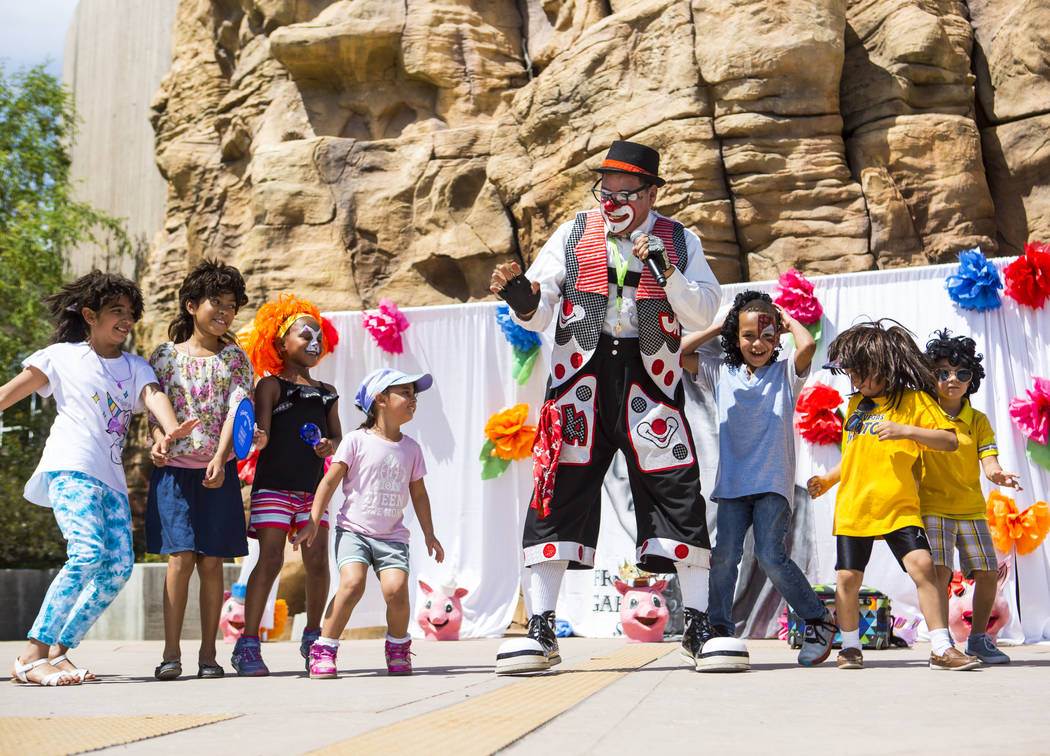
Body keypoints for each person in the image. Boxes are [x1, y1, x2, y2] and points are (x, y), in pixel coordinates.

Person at [489, 140, 721, 673]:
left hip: (652, 378)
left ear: (651, 193)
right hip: (580, 379)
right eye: (606, 191)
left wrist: (668, 271)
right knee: (558, 488)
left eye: (626, 192)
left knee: (677, 488)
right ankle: (542, 629)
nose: (612, 201)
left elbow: (704, 309)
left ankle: (701, 628)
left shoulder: (680, 239)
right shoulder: (574, 231)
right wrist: (524, 299)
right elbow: (542, 308)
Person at [2, 271, 196, 686]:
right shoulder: (61, 357)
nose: (126, 320)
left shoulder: (134, 365)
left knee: (118, 568)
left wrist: (172, 426)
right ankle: (31, 656)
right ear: (90, 315)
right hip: (70, 468)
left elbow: (153, 396)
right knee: (88, 553)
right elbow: (9, 393)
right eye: (116, 311)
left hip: (110, 481)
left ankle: (58, 651)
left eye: (130, 312)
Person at [806, 320, 979, 671]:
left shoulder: (914, 401)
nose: (855, 381)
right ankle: (851, 647)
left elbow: (949, 440)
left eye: (861, 373)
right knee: (847, 579)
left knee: (924, 567)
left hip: (899, 507)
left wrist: (906, 430)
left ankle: (941, 648)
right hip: (855, 507)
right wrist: (827, 479)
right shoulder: (855, 404)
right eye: (851, 374)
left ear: (882, 367)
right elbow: (855, 457)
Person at [682, 290, 837, 666]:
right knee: (723, 558)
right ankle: (719, 632)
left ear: (778, 338)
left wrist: (786, 319)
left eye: (768, 337)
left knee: (770, 556)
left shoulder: (785, 374)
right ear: (736, 337)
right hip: (733, 486)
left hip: (772, 484)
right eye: (749, 335)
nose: (758, 344)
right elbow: (679, 352)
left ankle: (818, 619)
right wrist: (721, 324)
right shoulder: (720, 371)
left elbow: (808, 345)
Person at [295, 368, 444, 678]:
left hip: (392, 537)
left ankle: (398, 646)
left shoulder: (411, 449)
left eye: (414, 394)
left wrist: (430, 534)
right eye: (405, 393)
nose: (413, 399)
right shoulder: (355, 441)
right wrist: (311, 521)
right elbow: (328, 482)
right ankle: (324, 647)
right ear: (380, 400)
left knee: (397, 589)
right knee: (351, 585)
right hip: (354, 532)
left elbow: (419, 493)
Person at [146, 260, 253, 681]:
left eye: (231, 305)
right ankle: (171, 653)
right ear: (191, 305)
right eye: (216, 302)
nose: (224, 311)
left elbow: (236, 412)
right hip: (173, 475)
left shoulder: (235, 359)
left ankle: (210, 654)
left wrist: (220, 458)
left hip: (218, 475)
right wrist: (158, 441)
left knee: (212, 563)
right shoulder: (163, 357)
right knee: (180, 558)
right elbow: (155, 413)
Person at [232, 294, 342, 676]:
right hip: (274, 486)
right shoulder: (270, 386)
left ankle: (315, 638)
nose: (314, 342)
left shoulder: (326, 392)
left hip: (312, 491)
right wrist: (258, 439)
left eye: (318, 336)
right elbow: (261, 429)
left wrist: (331, 445)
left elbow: (337, 437)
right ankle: (247, 643)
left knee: (316, 560)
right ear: (280, 343)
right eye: (304, 334)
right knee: (272, 558)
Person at [920, 329, 1021, 664]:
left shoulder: (977, 421)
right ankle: (941, 643)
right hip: (932, 506)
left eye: (962, 373)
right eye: (943, 372)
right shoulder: (921, 414)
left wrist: (999, 475)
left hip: (971, 509)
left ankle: (978, 640)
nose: (953, 379)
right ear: (930, 376)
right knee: (939, 574)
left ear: (972, 380)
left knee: (988, 572)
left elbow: (989, 462)